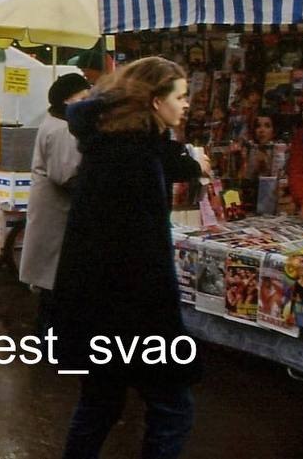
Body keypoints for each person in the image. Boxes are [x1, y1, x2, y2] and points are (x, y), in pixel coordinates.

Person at [53, 57, 210, 458]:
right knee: (172, 407)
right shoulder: (132, 157)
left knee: (100, 404)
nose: (187, 104)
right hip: (131, 312)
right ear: (155, 101)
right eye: (181, 96)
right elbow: (141, 253)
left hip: (94, 307)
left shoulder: (117, 144)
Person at [18, 73, 92, 335]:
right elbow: (65, 174)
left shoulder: (56, 121)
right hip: (56, 213)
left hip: (51, 210)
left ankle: (48, 334)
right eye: (83, 98)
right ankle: (50, 338)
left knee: (51, 278)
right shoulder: (62, 128)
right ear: (67, 99)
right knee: (53, 278)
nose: (87, 102)